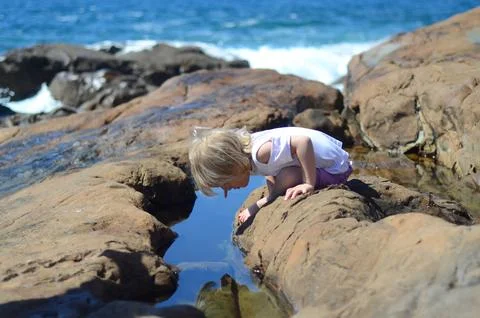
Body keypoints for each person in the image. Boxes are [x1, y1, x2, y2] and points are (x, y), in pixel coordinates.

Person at [188, 126, 352, 224]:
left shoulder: (260, 153)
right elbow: (273, 168)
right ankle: (272, 194)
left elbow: (303, 142)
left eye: (225, 184)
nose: (227, 191)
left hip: (335, 169)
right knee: (275, 176)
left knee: (287, 175)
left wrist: (308, 183)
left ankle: (268, 199)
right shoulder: (249, 150)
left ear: (234, 165)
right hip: (328, 159)